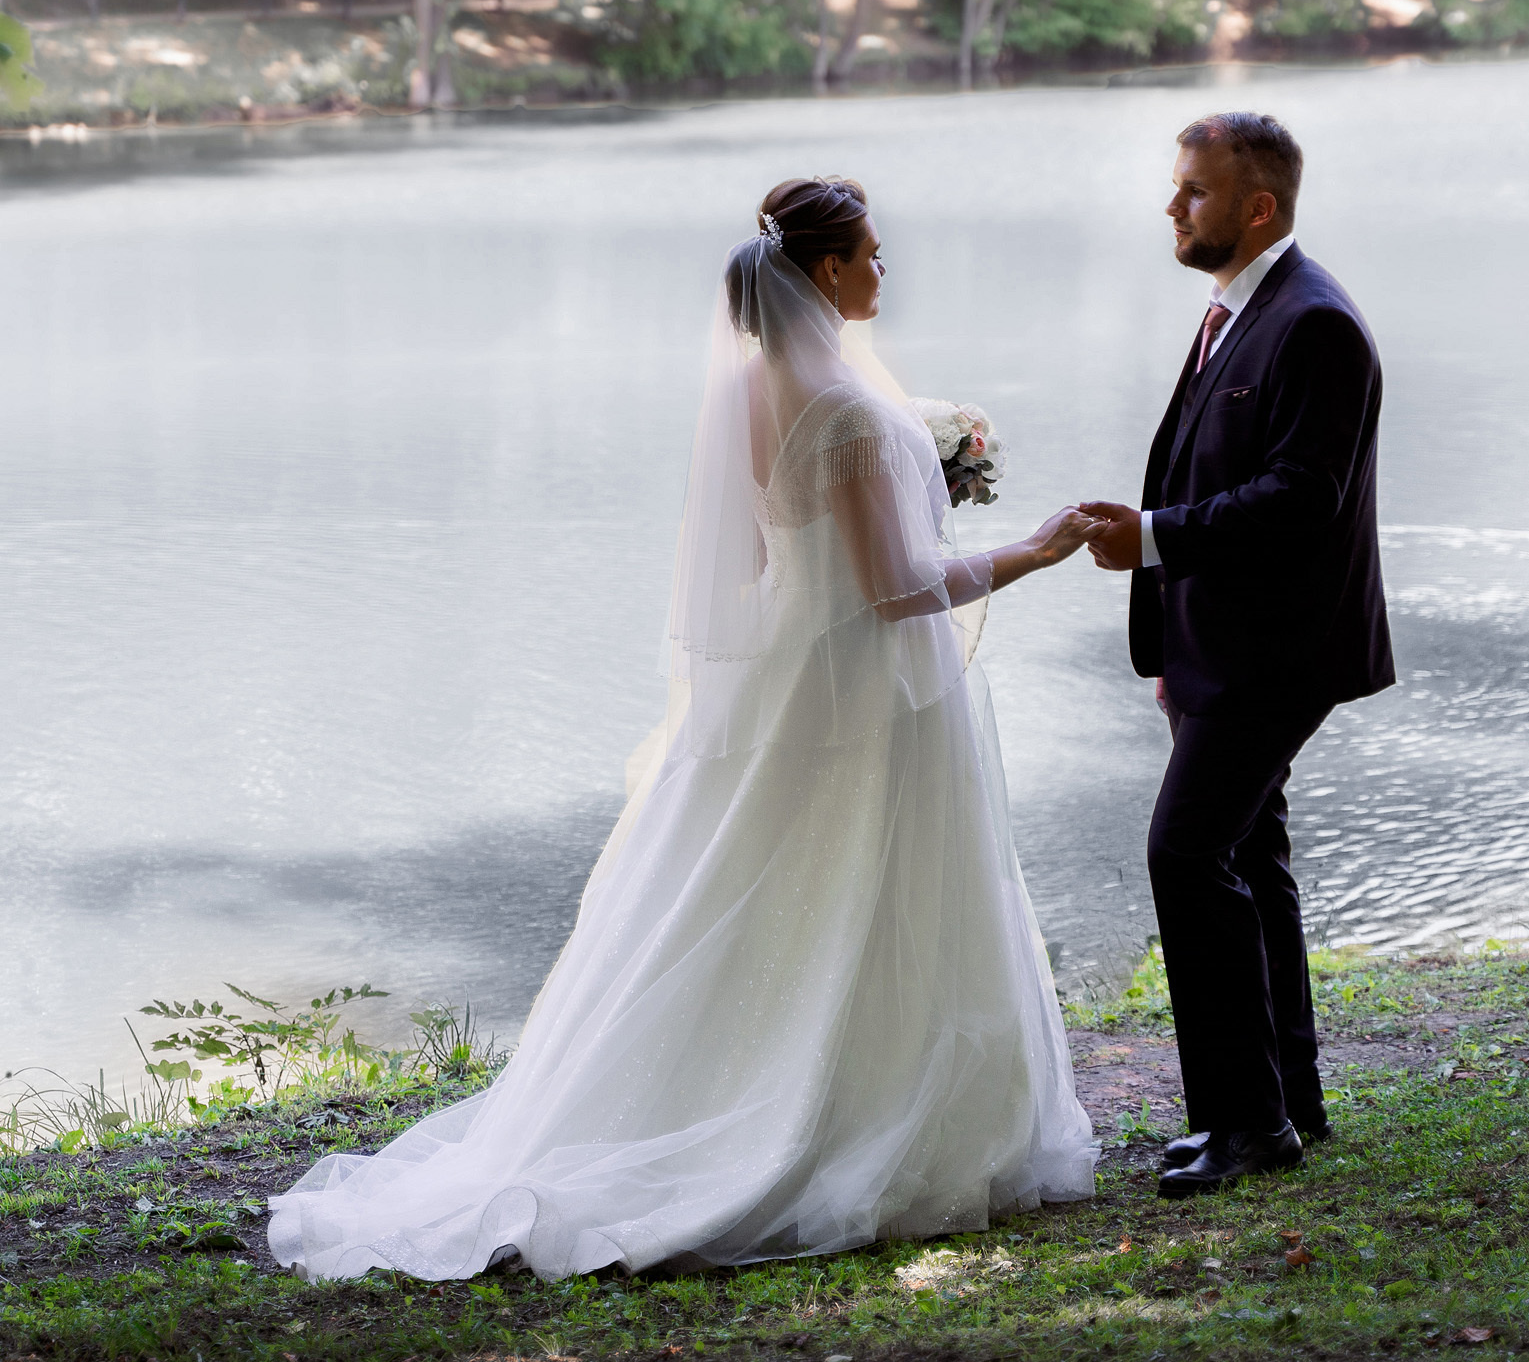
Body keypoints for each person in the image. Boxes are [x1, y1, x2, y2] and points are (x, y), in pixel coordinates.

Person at [269, 176, 1099, 1281]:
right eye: (873, 253)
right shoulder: (849, 409)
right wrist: (1034, 550)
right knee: (874, 887)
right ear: (826, 272)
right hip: (868, 691)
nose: (884, 269)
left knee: (774, 889)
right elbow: (898, 586)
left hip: (784, 681)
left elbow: (761, 560)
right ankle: (865, 1119)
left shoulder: (746, 394)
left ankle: (749, 1085)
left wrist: (923, 468)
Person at [1079, 113, 1395, 1200]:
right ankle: (1287, 1098)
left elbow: (1303, 500)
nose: (1174, 207)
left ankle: (1245, 1122)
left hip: (1281, 648)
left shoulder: (1317, 325)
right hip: (1221, 642)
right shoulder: (1236, 311)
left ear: (1256, 207)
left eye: (1195, 192)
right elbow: (1203, 462)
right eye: (1177, 188)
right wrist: (1171, 625)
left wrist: (1156, 539)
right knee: (1251, 859)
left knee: (1185, 853)